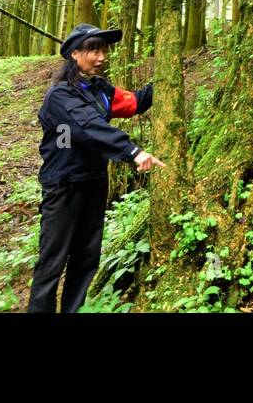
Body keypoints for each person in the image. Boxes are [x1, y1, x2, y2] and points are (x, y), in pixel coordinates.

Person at [27, 23, 165, 313]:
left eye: (104, 50)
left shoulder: (100, 90)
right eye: (94, 50)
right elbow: (88, 126)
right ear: (75, 53)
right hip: (64, 185)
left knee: (86, 258)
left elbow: (134, 102)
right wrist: (133, 151)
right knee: (52, 262)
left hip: (93, 181)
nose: (102, 57)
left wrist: (166, 79)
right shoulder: (60, 96)